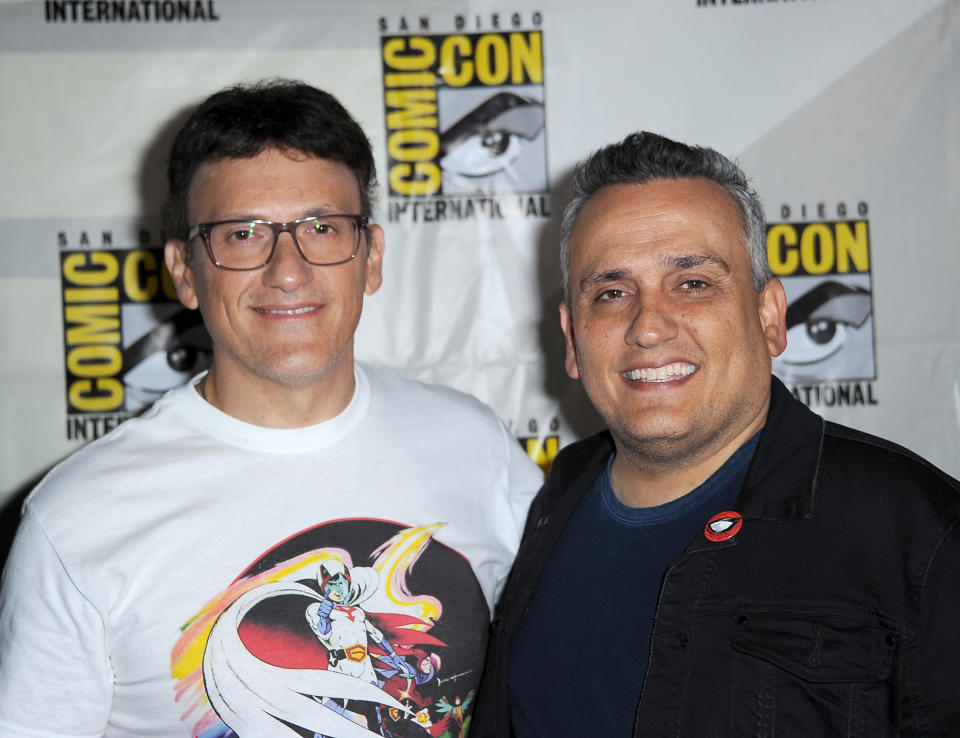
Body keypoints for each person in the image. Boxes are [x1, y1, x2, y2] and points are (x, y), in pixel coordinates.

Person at [0, 79, 542, 738]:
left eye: (321, 227)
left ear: (370, 257)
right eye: (242, 233)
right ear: (183, 270)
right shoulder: (77, 522)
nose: (288, 269)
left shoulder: (476, 446)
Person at [473, 131, 960, 737]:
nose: (648, 326)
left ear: (771, 317)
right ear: (572, 339)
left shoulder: (917, 531)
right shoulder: (550, 507)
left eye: (693, 283)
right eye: (612, 292)